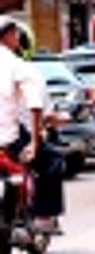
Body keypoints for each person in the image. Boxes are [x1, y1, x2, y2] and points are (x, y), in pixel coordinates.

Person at [0, 15, 63, 235]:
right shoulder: (17, 66)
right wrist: (35, 143)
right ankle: (44, 216)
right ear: (10, 36)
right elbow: (36, 105)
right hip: (9, 139)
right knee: (52, 160)